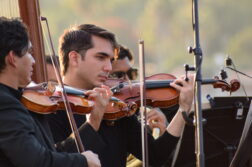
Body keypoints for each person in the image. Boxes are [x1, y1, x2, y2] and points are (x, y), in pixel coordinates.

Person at [48, 23, 195, 167]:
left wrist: (183, 110)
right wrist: (93, 122)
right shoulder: (49, 106)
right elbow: (54, 160)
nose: (109, 67)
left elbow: (155, 156)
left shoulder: (116, 106)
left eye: (111, 60)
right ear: (74, 58)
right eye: (100, 57)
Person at [0, 17, 101, 167]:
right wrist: (83, 161)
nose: (33, 61)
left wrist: (91, 124)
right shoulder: (5, 104)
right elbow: (35, 162)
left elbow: (46, 152)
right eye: (29, 52)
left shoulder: (16, 99)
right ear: (12, 58)